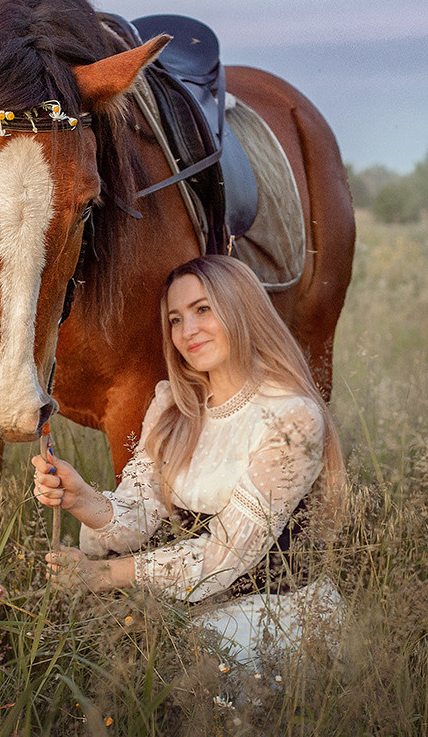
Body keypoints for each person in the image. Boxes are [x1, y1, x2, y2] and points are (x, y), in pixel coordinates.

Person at [32, 255, 348, 667]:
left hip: (275, 613)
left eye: (203, 310)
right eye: (175, 319)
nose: (188, 331)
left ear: (241, 308)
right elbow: (140, 513)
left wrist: (103, 576)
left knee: (182, 675)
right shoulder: (172, 407)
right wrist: (80, 498)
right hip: (187, 607)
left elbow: (226, 554)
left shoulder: (291, 415)